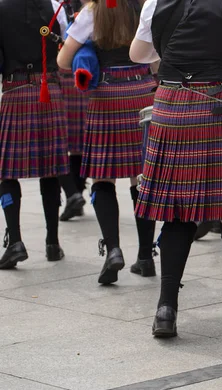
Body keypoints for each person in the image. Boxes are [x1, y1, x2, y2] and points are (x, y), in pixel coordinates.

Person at [130, 0, 222, 338]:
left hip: (170, 105)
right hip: (219, 103)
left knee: (177, 210)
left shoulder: (156, 2)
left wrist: (167, 56)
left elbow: (138, 54)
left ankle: (166, 309)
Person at [57, 0, 158, 284]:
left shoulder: (92, 12)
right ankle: (146, 256)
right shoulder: (145, 6)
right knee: (141, 177)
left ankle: (113, 249)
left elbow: (64, 61)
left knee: (104, 177)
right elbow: (158, 57)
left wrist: (88, 48)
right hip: (142, 91)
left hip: (107, 95)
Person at [0, 0, 70, 270]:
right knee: (50, 168)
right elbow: (63, 46)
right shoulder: (54, 6)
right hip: (48, 88)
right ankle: (52, 242)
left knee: (6, 172)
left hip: (16, 89)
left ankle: (15, 241)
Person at [58, 0, 89, 222]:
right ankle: (75, 196)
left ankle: (74, 194)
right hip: (84, 73)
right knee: (77, 145)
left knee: (58, 145)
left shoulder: (57, 6)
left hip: (62, 73)